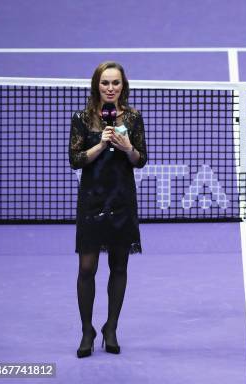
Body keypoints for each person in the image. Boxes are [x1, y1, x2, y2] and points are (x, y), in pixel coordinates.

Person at [69, 61, 147, 358]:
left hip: (121, 201)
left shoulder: (133, 118)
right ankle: (87, 330)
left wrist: (127, 147)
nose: (111, 88)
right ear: (96, 86)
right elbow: (76, 159)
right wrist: (100, 145)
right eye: (105, 83)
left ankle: (111, 327)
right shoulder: (82, 119)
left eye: (115, 83)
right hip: (92, 201)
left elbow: (140, 160)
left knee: (119, 266)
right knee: (86, 267)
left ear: (123, 86)